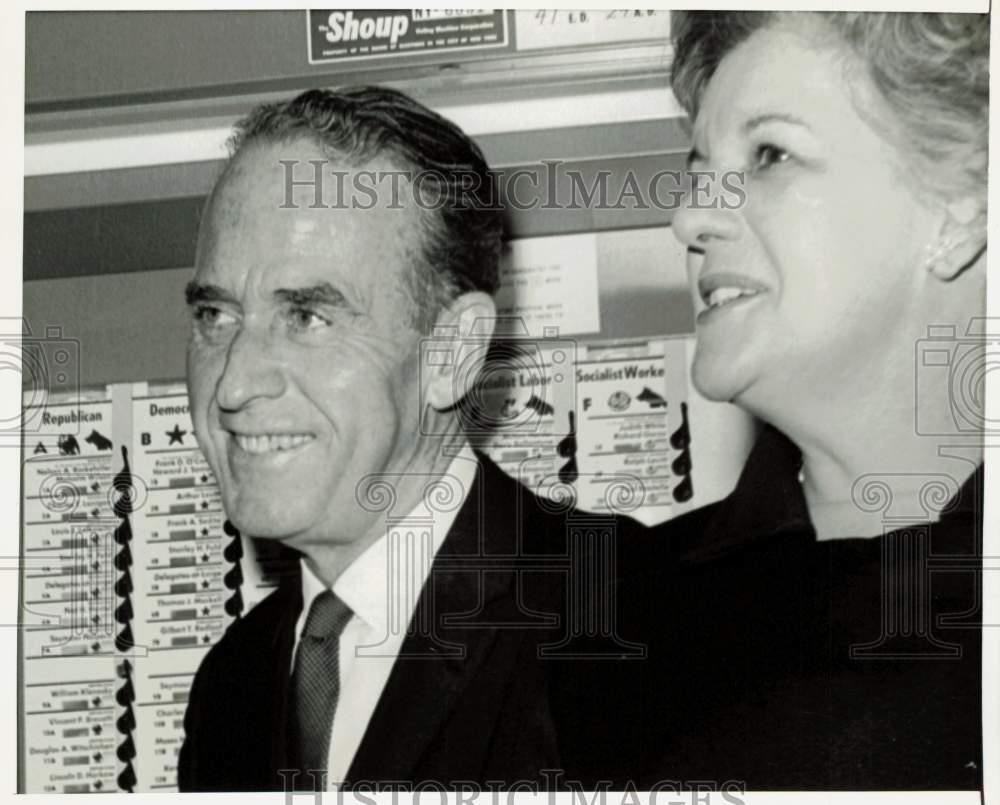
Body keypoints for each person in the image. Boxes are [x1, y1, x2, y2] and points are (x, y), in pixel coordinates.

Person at [176, 86, 636, 792]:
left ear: (452, 352)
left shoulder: (626, 622)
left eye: (306, 317)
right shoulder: (233, 685)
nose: (232, 383)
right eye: (216, 315)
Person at [617, 11, 987, 790]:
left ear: (962, 209)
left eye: (770, 155)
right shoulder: (620, 616)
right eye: (698, 173)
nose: (688, 217)